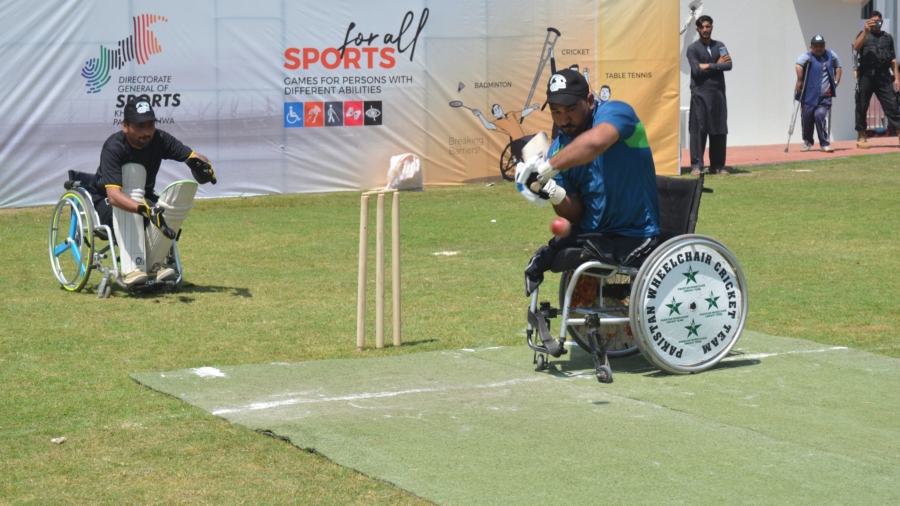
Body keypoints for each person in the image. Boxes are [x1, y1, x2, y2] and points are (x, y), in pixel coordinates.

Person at [516, 68, 660, 355]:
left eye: (571, 109)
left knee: (578, 253)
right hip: (595, 233)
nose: (564, 119)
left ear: (589, 100)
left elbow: (596, 143)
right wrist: (552, 192)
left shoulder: (617, 113)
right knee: (544, 258)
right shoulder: (560, 145)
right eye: (556, 112)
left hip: (635, 233)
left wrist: (549, 167)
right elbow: (574, 212)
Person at [90, 97, 215, 285]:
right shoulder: (114, 147)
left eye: (150, 125)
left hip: (144, 197)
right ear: (125, 125)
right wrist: (144, 210)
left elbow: (192, 155)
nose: (146, 132)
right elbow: (114, 196)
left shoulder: (159, 139)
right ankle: (133, 269)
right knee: (135, 194)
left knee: (169, 208)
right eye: (140, 126)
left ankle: (152, 268)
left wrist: (202, 164)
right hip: (108, 200)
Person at [686, 15, 732, 175]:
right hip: (700, 95)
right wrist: (716, 65)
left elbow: (728, 64)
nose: (705, 29)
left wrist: (709, 65)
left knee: (719, 128)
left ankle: (718, 166)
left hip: (718, 94)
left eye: (708, 26)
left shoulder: (720, 46)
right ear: (698, 29)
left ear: (711, 27)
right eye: (702, 27)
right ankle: (697, 166)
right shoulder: (692, 49)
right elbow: (697, 70)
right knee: (698, 130)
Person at [853, 10, 900, 148]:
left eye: (878, 21)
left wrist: (896, 79)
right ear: (868, 21)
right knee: (861, 105)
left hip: (884, 76)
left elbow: (893, 59)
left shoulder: (888, 37)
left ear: (882, 22)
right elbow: (856, 47)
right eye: (872, 21)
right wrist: (865, 31)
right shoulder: (863, 35)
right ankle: (861, 136)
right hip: (866, 76)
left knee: (892, 105)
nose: (876, 24)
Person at [795, 35, 842, 152]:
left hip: (825, 96)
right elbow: (798, 64)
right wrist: (800, 80)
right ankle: (807, 141)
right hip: (808, 95)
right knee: (807, 118)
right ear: (811, 47)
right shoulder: (806, 56)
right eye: (816, 46)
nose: (819, 48)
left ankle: (824, 144)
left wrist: (836, 81)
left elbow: (838, 66)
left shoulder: (831, 55)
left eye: (821, 46)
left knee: (819, 116)